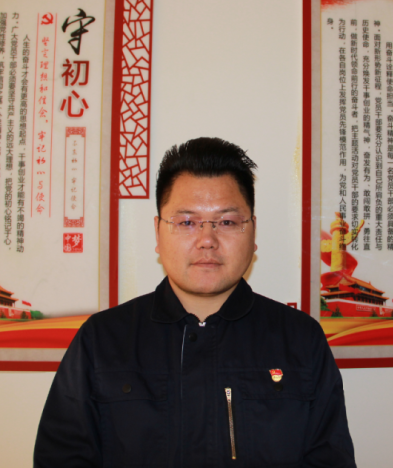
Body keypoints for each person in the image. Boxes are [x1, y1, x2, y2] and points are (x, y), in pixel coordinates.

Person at [34, 137, 356, 467]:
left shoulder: (301, 339)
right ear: (158, 232)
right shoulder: (101, 340)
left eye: (227, 222)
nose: (207, 240)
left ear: (252, 231)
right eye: (187, 222)